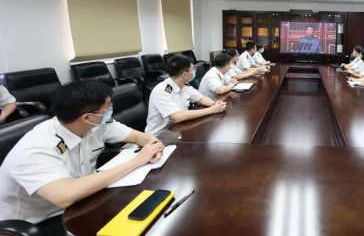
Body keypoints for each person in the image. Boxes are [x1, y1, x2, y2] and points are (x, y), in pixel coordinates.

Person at [0, 81, 165, 235]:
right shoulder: (35, 148)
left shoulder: (96, 124)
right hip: (43, 221)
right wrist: (137, 160)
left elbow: (137, 137)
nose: (111, 109)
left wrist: (153, 145)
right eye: (108, 107)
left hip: (84, 201)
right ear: (87, 117)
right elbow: (66, 195)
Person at [145, 54, 227, 134]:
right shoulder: (162, 91)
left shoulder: (185, 86)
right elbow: (177, 117)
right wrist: (210, 110)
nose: (194, 71)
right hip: (160, 135)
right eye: (193, 69)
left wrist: (215, 104)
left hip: (177, 129)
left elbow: (201, 99)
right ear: (185, 74)